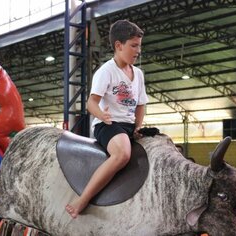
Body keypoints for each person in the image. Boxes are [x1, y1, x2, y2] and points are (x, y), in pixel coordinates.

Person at [65, 19, 148, 218]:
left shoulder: (138, 73)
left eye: (139, 46)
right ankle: (82, 199)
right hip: (108, 125)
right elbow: (91, 103)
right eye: (134, 46)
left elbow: (141, 104)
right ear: (118, 46)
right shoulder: (106, 71)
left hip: (128, 126)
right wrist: (101, 114)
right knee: (122, 154)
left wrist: (138, 126)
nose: (138, 51)